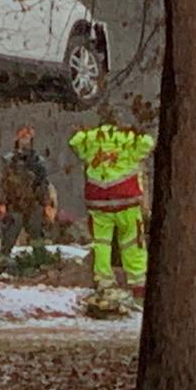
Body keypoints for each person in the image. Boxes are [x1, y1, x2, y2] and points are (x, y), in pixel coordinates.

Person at [68, 118, 155, 297]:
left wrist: (86, 131)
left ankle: (104, 280)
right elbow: (148, 143)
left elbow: (74, 142)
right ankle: (137, 282)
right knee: (132, 241)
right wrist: (136, 131)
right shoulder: (129, 138)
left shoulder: (91, 138)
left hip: (99, 202)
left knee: (102, 243)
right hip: (126, 201)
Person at [0, 126, 54, 265]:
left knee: (37, 234)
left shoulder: (38, 162)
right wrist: (1, 203)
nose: (25, 140)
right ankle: (3, 260)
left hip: (33, 204)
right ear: (17, 139)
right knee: (10, 233)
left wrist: (46, 205)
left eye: (28, 137)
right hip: (14, 205)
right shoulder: (8, 160)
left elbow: (43, 184)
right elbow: (1, 184)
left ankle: (40, 260)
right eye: (22, 137)